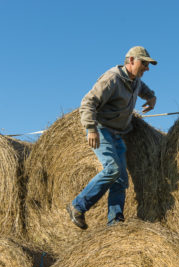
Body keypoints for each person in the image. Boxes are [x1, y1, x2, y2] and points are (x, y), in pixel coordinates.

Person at [66, 46, 157, 229]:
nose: (147, 68)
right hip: (101, 129)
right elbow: (88, 103)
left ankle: (115, 222)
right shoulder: (112, 78)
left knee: (121, 179)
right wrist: (91, 129)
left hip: (118, 134)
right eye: (144, 63)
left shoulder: (135, 81)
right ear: (131, 60)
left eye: (148, 64)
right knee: (112, 169)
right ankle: (77, 205)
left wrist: (151, 98)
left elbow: (144, 89)